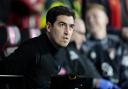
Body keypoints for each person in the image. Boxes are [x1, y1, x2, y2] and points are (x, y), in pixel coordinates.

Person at [0, 6, 120, 89]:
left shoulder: (62, 50)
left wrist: (92, 82)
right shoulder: (32, 50)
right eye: (62, 25)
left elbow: (60, 79)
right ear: (48, 27)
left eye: (71, 26)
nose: (68, 32)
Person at [81, 3, 124, 88]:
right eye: (87, 18)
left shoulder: (118, 43)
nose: (91, 20)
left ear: (106, 19)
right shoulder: (82, 46)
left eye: (95, 16)